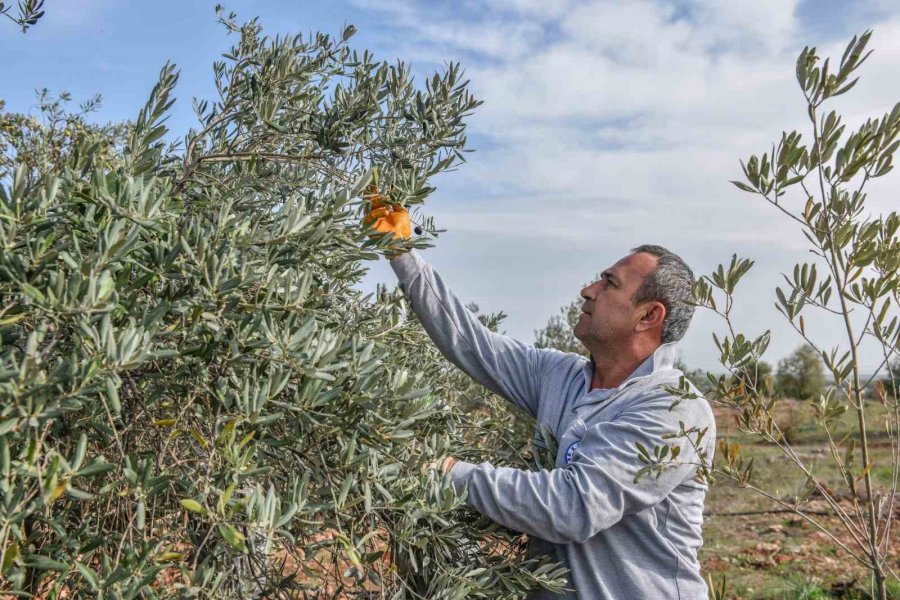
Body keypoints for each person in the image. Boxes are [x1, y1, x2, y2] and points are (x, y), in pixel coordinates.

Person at [363, 198, 716, 599]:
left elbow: (573, 508)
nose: (588, 290)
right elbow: (470, 342)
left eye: (610, 284)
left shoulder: (674, 409)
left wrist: (450, 474)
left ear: (649, 316)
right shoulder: (559, 376)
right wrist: (403, 252)